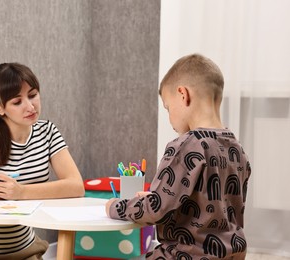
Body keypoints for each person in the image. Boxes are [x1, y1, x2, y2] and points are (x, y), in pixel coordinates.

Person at [106, 54, 251, 259]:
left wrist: (115, 206)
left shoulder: (186, 145)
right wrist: (163, 198)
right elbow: (216, 208)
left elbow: (155, 210)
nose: (170, 117)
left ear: (183, 94)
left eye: (167, 107)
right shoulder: (237, 149)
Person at [0, 62, 85, 259]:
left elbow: (75, 185)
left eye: (32, 95)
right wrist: (9, 192)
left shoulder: (47, 132)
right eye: (17, 101)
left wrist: (21, 192)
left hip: (26, 250)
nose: (30, 106)